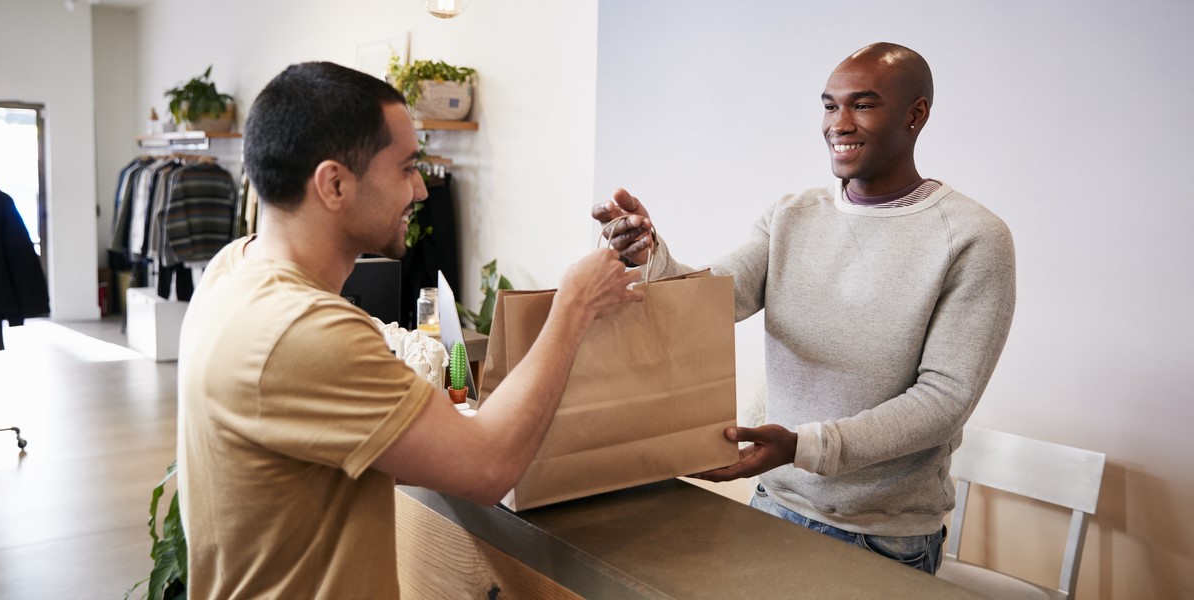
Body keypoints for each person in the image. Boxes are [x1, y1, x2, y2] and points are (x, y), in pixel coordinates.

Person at [176, 61, 642, 599]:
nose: (421, 190)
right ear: (334, 184)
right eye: (406, 168)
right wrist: (574, 307)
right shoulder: (304, 331)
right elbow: (488, 466)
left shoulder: (234, 267)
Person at [593, 42, 1016, 574]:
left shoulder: (974, 237)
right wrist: (651, 256)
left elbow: (943, 401)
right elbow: (715, 299)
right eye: (829, 105)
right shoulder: (792, 215)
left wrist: (805, 446)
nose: (838, 122)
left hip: (880, 537)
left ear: (916, 114)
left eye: (862, 105)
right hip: (773, 504)